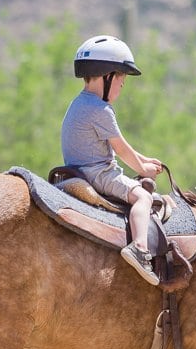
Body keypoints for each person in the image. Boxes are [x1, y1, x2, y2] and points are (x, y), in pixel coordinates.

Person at [61, 35, 164, 285]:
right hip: (99, 175)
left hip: (78, 170)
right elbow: (121, 149)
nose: (122, 85)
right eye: (122, 78)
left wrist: (144, 159)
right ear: (108, 76)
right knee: (143, 196)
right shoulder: (101, 110)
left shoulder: (79, 104)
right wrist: (142, 169)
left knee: (140, 187)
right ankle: (140, 249)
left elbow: (120, 147)